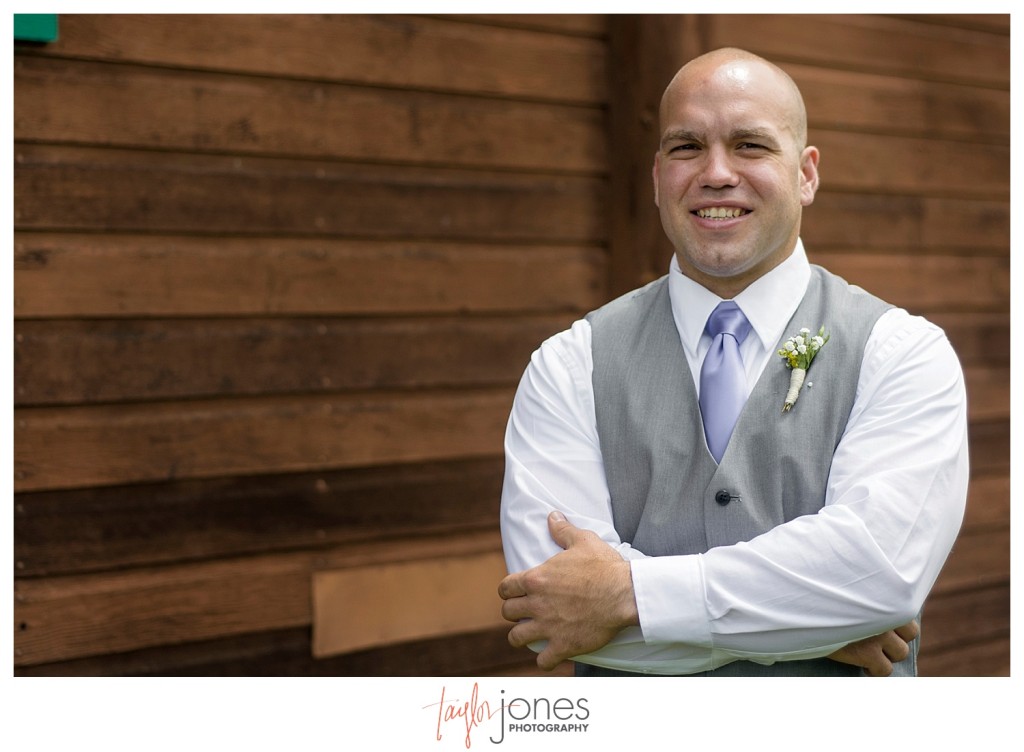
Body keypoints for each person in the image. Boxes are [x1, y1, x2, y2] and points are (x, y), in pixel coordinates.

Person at [497, 47, 968, 677]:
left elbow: (878, 575)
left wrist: (625, 598)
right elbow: (553, 612)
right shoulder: (568, 364)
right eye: (687, 147)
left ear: (806, 173)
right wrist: (814, 630)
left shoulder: (904, 353)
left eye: (750, 145)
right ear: (657, 174)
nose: (717, 173)